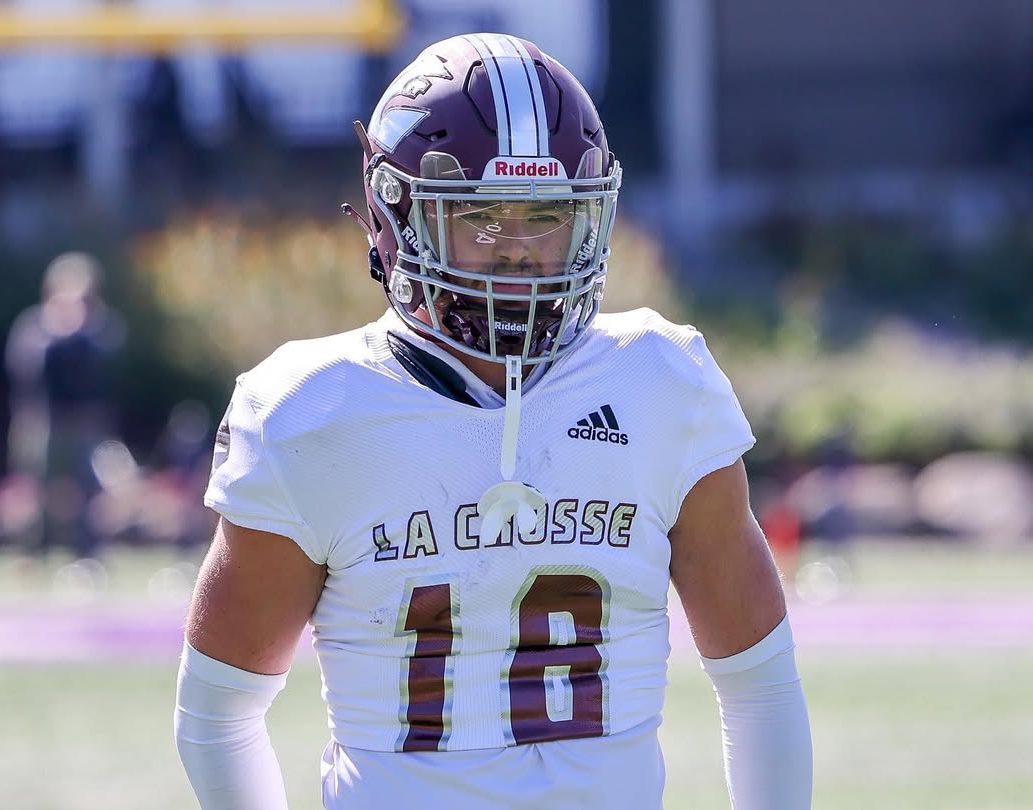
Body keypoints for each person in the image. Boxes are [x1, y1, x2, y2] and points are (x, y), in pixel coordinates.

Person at [174, 33, 813, 809]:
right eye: (478, 216)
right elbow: (218, 713)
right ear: (396, 215)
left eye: (546, 215)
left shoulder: (661, 383)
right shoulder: (312, 412)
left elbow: (759, 685)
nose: (517, 251)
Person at [5, 251, 125, 559]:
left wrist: (80, 333)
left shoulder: (100, 327)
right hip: (42, 421)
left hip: (87, 423)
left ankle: (87, 552)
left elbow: (105, 368)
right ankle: (33, 550)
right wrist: (57, 333)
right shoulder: (35, 325)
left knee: (88, 489)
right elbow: (26, 369)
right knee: (37, 489)